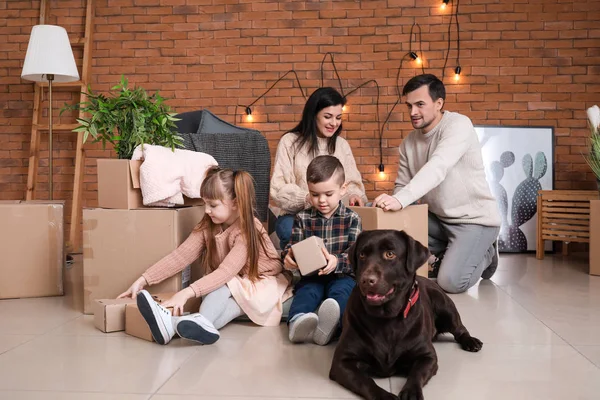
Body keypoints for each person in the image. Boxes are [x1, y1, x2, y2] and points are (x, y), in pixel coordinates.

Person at [118, 167, 291, 345]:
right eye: (205, 204)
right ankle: (183, 326)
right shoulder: (209, 224)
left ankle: (171, 324)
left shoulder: (247, 230)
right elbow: (181, 256)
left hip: (262, 281)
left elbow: (226, 272)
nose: (207, 210)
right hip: (238, 281)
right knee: (219, 298)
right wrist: (143, 279)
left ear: (236, 203)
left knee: (223, 286)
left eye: (213, 205)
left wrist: (185, 294)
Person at [373, 74, 501, 294]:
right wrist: (391, 209)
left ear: (439, 103)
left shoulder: (458, 125)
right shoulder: (408, 143)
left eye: (420, 105)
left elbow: (438, 167)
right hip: (438, 221)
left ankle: (487, 253)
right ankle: (453, 252)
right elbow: (402, 186)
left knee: (450, 282)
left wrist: (399, 200)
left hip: (475, 221)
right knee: (396, 224)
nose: (413, 112)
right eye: (409, 105)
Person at [270, 87, 367, 250]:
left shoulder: (341, 145)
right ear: (313, 115)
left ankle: (336, 266)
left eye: (338, 118)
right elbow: (278, 190)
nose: (334, 123)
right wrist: (310, 198)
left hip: (334, 216)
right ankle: (301, 271)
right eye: (327, 117)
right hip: (297, 216)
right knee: (288, 230)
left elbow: (352, 184)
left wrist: (355, 195)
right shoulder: (290, 142)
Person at [281, 155, 362, 345]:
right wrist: (288, 257)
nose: (321, 200)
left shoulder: (352, 219)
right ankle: (297, 322)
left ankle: (331, 326)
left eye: (328, 194)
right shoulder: (303, 217)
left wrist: (337, 261)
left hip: (342, 276)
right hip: (312, 275)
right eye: (314, 194)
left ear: (343, 190)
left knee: (342, 294)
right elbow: (292, 247)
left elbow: (357, 256)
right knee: (306, 293)